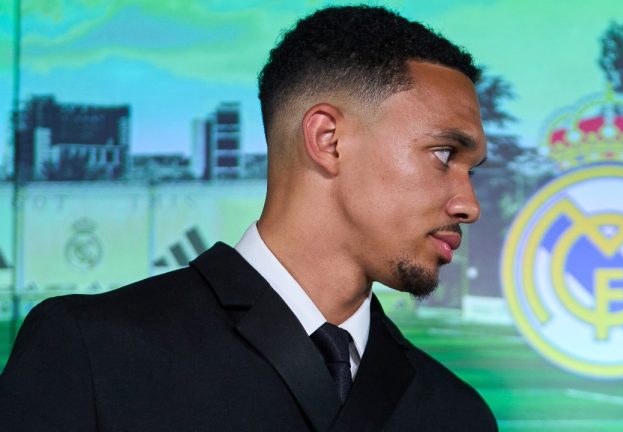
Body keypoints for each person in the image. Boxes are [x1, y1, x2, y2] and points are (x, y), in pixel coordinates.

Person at [0, 5, 496, 431]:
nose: (468, 204)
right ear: (329, 140)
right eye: (443, 153)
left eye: (471, 169)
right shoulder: (91, 353)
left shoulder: (457, 413)